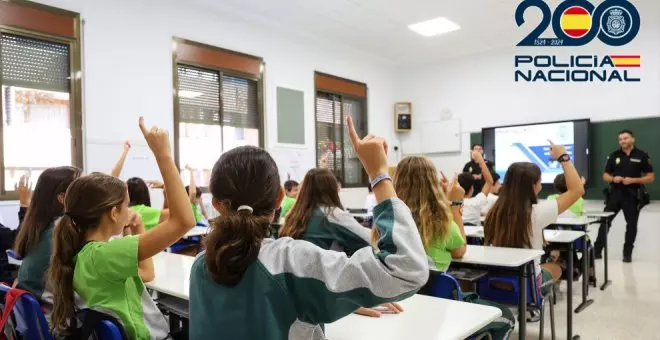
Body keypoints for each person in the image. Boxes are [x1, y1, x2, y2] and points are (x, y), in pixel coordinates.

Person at [188, 116, 428, 339]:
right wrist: (378, 174)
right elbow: (406, 268)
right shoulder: (290, 262)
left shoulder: (201, 264)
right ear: (280, 198)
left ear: (217, 205)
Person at [46, 118, 197, 338]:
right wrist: (163, 155)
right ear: (114, 213)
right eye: (126, 204)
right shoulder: (105, 254)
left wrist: (139, 226)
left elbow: (147, 273)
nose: (130, 210)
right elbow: (184, 221)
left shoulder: (84, 254)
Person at [395, 156, 515, 340]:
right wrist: (456, 205)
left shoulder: (388, 221)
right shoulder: (439, 222)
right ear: (431, 184)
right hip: (443, 308)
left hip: (405, 308)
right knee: (506, 316)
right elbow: (460, 250)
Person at [279, 167, 401, 318]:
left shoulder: (293, 216)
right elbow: (373, 242)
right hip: (323, 295)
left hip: (293, 297)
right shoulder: (331, 214)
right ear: (333, 188)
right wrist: (354, 298)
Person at [484, 141, 584, 297]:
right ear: (533, 185)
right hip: (526, 284)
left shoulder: (494, 210)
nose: (541, 186)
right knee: (555, 268)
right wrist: (564, 158)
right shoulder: (536, 212)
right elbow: (577, 190)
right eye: (540, 181)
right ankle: (536, 303)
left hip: (496, 280)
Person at [12, 166, 82, 304]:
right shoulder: (64, 228)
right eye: (82, 188)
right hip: (51, 316)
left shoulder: (40, 224)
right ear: (63, 198)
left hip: (32, 312)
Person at [595, 130, 654, 262]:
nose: (623, 141)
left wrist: (633, 180)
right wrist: (612, 178)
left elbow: (650, 177)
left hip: (632, 197)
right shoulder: (613, 155)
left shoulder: (642, 155)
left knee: (631, 225)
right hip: (614, 195)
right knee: (604, 222)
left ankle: (627, 254)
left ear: (632, 139)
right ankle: (597, 251)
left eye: (625, 138)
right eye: (620, 139)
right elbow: (605, 175)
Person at [459, 150, 494, 226]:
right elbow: (489, 182)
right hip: (473, 237)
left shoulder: (452, 204)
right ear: (472, 188)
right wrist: (481, 160)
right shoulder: (476, 202)